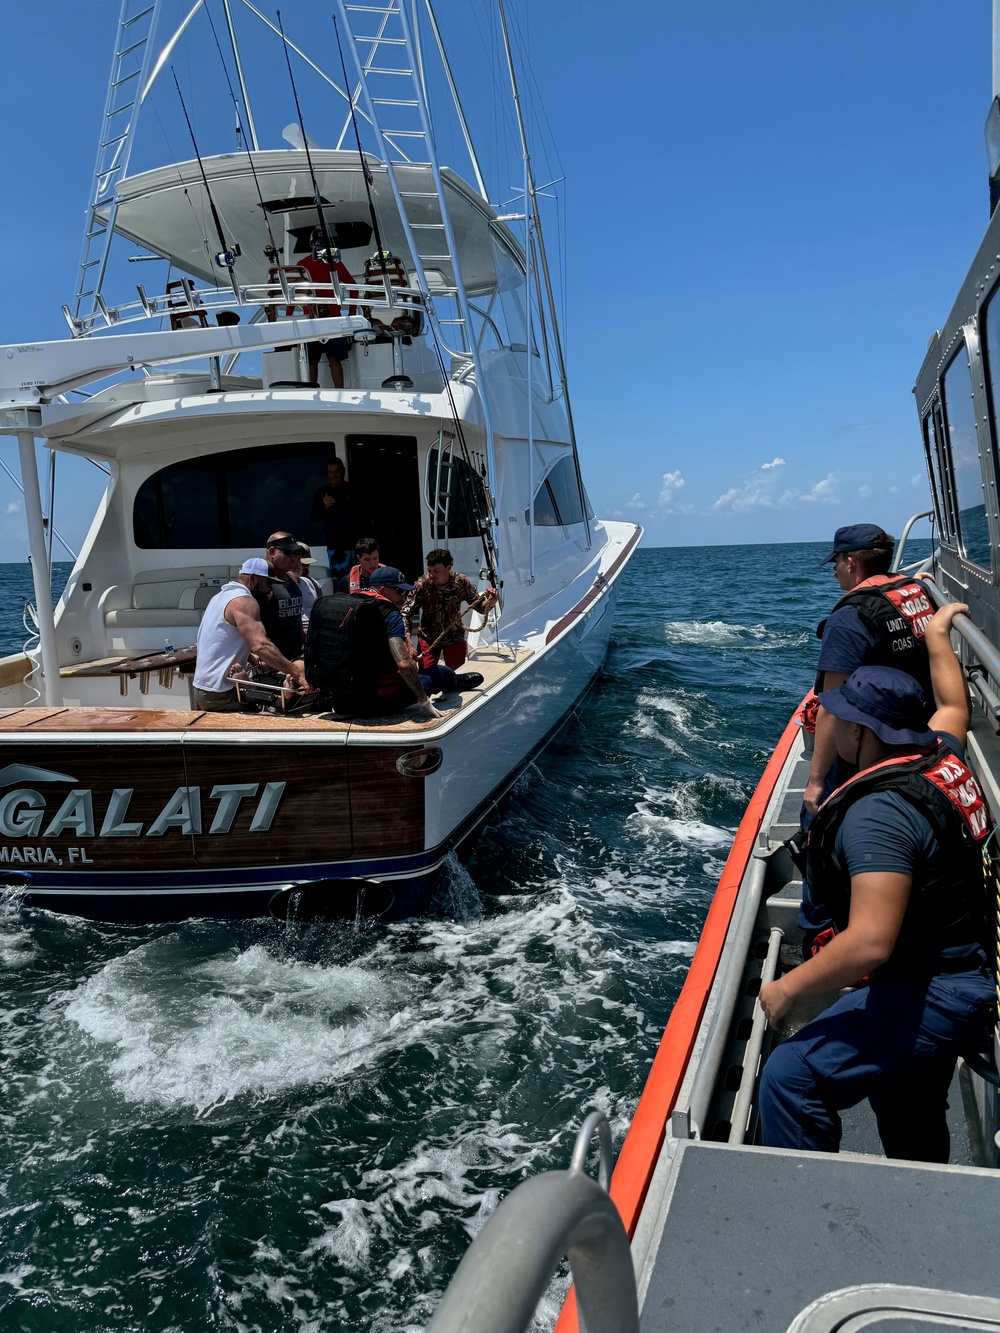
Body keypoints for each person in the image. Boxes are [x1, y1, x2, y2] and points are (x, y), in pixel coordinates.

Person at [758, 602, 994, 1162]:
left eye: (836, 714)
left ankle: (800, 1220)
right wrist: (938, 635)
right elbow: (954, 706)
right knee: (907, 1098)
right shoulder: (938, 756)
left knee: (790, 1076)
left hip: (936, 988)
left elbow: (869, 941)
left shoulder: (878, 815)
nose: (828, 721)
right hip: (965, 962)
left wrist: (786, 991)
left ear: (863, 731)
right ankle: (920, 1193)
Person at [803, 524, 934, 817]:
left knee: (817, 815)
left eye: (835, 562)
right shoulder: (916, 590)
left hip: (872, 743)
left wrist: (815, 781)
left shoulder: (848, 618)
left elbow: (831, 706)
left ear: (850, 563)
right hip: (920, 728)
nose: (834, 569)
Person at [301, 566, 483, 719]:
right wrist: (423, 700)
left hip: (342, 702)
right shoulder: (390, 613)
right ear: (382, 590)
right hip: (378, 703)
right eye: (399, 591)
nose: (403, 597)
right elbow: (404, 665)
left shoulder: (348, 606)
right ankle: (453, 681)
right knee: (436, 672)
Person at [192, 558, 307, 712]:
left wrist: (247, 656)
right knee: (278, 712)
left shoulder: (219, 597)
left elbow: (222, 640)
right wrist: (296, 672)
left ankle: (248, 686)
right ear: (253, 579)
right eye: (268, 583)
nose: (270, 590)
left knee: (270, 690)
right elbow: (261, 645)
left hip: (203, 688)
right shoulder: (245, 601)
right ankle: (247, 686)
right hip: (223, 693)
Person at [402, 548, 498, 670]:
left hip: (454, 637)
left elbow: (479, 607)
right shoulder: (423, 584)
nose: (431, 575)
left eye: (436, 571)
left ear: (448, 568)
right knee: (427, 677)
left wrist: (491, 601)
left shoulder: (461, 582)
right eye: (429, 571)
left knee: (457, 676)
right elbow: (405, 613)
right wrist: (408, 641)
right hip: (429, 638)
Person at [292, 230, 358, 388]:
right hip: (319, 320)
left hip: (327, 319)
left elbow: (292, 294)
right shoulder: (308, 264)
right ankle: (317, 392)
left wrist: (352, 313)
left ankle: (338, 391)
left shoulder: (328, 263)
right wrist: (351, 313)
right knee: (315, 359)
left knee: (327, 359)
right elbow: (353, 286)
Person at [309, 456, 367, 581]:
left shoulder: (354, 490)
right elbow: (315, 517)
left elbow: (363, 516)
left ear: (343, 471)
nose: (333, 475)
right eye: (330, 472)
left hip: (355, 547)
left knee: (359, 581)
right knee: (340, 582)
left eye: (336, 472)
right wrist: (324, 506)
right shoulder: (322, 492)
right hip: (335, 548)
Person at [261, 533, 307, 660]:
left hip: (296, 655)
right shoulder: (261, 582)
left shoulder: (292, 577)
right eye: (289, 553)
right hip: (274, 661)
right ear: (272, 552)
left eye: (297, 553)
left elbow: (296, 618)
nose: (294, 558)